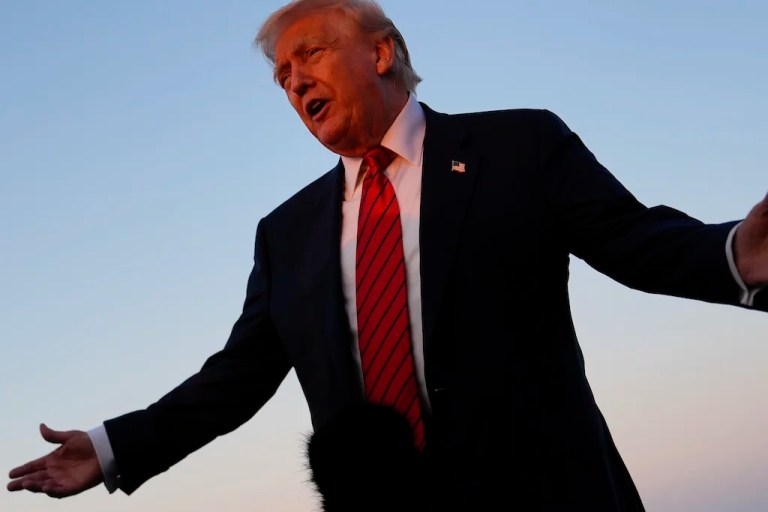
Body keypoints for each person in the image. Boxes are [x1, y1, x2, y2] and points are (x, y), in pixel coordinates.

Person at [7, 0, 768, 510]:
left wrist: (737, 254)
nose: (293, 77)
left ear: (381, 52)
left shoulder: (518, 145)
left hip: (547, 492)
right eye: (281, 74)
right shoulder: (286, 233)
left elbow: (632, 240)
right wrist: (110, 448)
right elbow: (235, 378)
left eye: (309, 53)